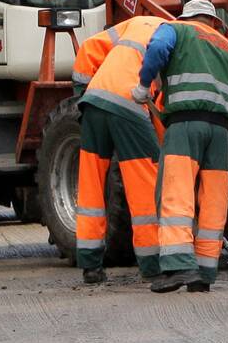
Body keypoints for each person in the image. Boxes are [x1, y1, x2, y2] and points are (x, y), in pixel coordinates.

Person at [132, 0, 228, 293]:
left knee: (175, 191)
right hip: (220, 129)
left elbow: (157, 50)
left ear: (187, 17)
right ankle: (205, 271)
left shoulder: (177, 29)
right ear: (213, 22)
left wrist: (144, 86)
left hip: (185, 123)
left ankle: (179, 266)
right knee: (213, 198)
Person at [71, 15, 165, 285]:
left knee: (91, 185)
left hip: (94, 102)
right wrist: (162, 149)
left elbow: (89, 48)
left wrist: (82, 93)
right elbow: (161, 105)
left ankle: (90, 265)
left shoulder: (135, 24)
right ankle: (152, 264)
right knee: (145, 184)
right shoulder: (176, 39)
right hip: (129, 105)